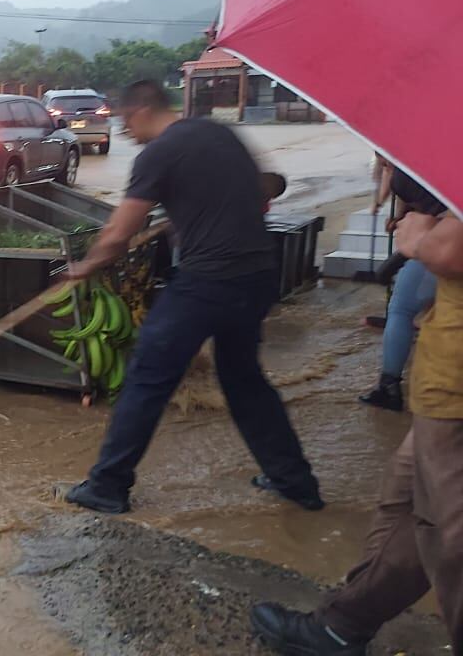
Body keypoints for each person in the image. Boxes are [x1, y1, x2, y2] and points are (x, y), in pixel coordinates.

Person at [62, 80, 322, 515]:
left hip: (208, 282)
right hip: (257, 275)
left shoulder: (158, 154)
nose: (128, 132)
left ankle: (107, 486)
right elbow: (266, 187)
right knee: (243, 380)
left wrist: (85, 267)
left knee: (147, 376)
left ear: (143, 108)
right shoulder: (218, 133)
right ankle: (295, 482)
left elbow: (118, 235)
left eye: (127, 121)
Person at [251, 210, 463, 655]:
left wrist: (420, 238)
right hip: (441, 386)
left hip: (455, 398)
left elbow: (448, 249)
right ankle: (342, 625)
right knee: (408, 507)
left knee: (449, 536)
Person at [359, 158, 445, 411]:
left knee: (401, 311)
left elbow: (409, 193)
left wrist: (398, 215)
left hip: (438, 242)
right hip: (437, 236)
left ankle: (389, 387)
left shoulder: (408, 164)